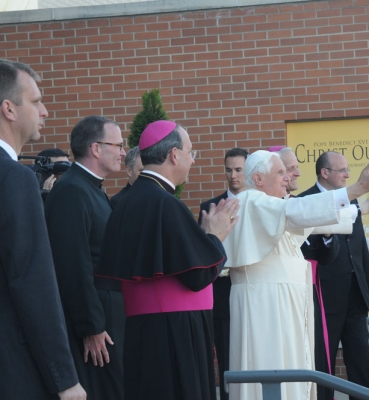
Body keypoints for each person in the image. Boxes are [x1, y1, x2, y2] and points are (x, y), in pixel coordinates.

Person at [95, 120, 240, 400]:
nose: (192, 160)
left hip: (142, 332)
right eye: (191, 152)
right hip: (176, 333)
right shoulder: (165, 203)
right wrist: (215, 236)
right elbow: (197, 276)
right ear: (174, 155)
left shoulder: (127, 200)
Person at [222, 150, 369, 400]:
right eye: (280, 172)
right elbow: (299, 211)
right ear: (258, 179)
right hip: (265, 309)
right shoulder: (250, 201)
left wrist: (356, 205)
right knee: (269, 369)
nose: (287, 178)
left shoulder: (274, 208)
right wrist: (356, 188)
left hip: (283, 308)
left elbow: (324, 220)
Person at [0, 59, 85, 399]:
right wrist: (65, 379)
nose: (45, 111)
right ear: (8, 109)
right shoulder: (14, 178)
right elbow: (32, 281)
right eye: (35, 102)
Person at [45, 115, 126, 400]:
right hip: (95, 323)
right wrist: (91, 326)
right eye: (117, 145)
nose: (123, 152)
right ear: (95, 148)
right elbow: (72, 264)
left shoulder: (91, 189)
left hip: (106, 313)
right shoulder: (72, 191)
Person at [299, 151, 369, 400]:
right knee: (323, 366)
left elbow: (360, 250)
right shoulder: (304, 201)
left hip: (355, 298)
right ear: (324, 172)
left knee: (362, 364)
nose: (348, 175)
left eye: (348, 169)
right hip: (324, 299)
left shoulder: (349, 201)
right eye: (342, 170)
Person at [198, 147, 249, 400]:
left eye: (239, 170)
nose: (233, 175)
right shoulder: (209, 206)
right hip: (221, 296)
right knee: (227, 361)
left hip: (252, 293)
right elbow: (203, 252)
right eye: (228, 170)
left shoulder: (259, 204)